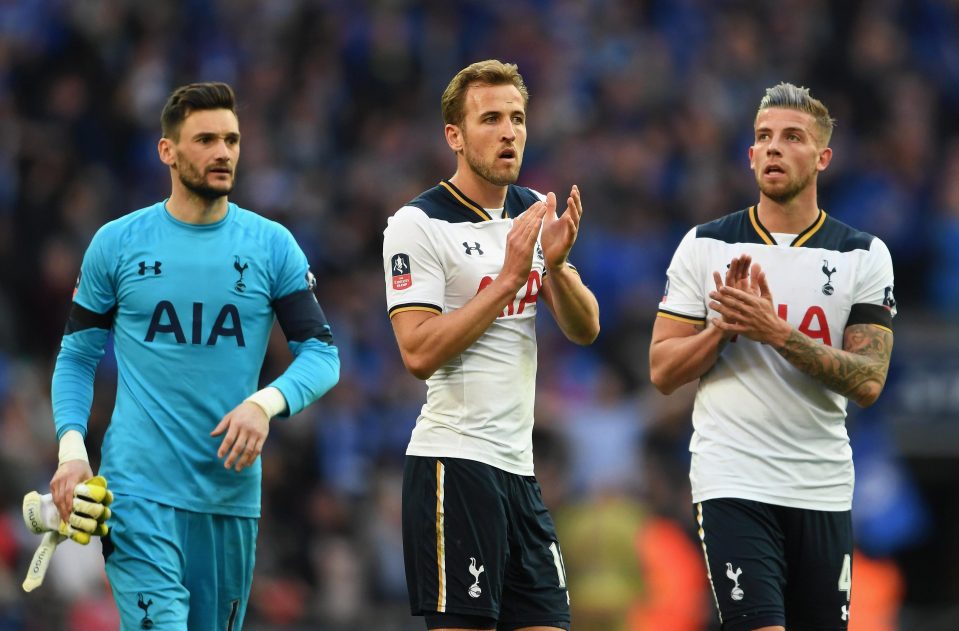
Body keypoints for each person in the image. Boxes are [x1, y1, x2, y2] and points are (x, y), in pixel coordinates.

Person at [48, 82, 340, 630]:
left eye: (231, 139)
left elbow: (322, 354)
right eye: (205, 139)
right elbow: (77, 357)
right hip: (136, 493)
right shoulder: (117, 243)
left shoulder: (272, 245)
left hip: (229, 497)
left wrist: (265, 404)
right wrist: (71, 451)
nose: (222, 152)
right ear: (168, 151)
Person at [649, 82, 896, 631]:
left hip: (822, 483)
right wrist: (722, 330)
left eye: (792, 137)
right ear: (751, 155)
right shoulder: (706, 245)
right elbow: (662, 370)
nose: (774, 148)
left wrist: (777, 332)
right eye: (764, 137)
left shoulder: (862, 254)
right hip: (733, 479)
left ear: (823, 157)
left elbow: (869, 379)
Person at [382, 59, 600, 631]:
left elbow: (585, 328)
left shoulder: (532, 214)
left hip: (518, 472)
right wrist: (507, 280)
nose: (509, 132)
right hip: (453, 464)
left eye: (518, 118)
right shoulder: (417, 224)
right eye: (491, 119)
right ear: (454, 135)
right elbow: (418, 352)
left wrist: (554, 265)